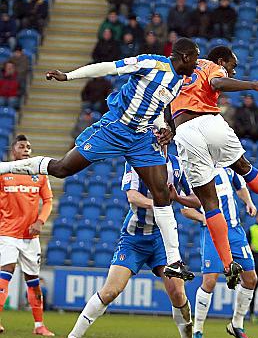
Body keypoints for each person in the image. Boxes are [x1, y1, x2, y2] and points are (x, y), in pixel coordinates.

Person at [0, 38, 200, 284]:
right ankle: (6, 167)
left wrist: (163, 127)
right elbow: (107, 67)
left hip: (142, 138)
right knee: (62, 169)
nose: (197, 64)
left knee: (161, 192)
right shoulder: (152, 63)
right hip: (115, 129)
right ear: (186, 57)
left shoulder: (179, 81)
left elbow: (155, 107)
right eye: (196, 58)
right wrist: (68, 76)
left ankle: (173, 262)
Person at [169, 46, 258, 289]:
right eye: (232, 66)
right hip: (209, 122)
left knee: (209, 202)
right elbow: (218, 83)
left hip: (183, 131)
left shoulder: (178, 71)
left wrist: (167, 129)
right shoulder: (210, 65)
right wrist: (254, 85)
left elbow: (165, 103)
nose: (232, 70)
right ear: (222, 61)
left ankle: (226, 263)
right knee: (243, 166)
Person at [67, 154, 201, 338]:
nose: (159, 134)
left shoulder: (178, 164)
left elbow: (196, 200)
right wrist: (159, 205)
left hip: (162, 239)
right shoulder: (137, 160)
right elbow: (132, 196)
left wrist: (177, 197)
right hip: (134, 239)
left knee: (178, 293)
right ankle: (74, 336)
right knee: (111, 291)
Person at [184, 167, 258, 338]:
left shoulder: (228, 168)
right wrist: (204, 218)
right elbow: (185, 209)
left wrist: (249, 202)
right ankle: (198, 330)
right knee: (209, 281)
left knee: (251, 278)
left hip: (234, 230)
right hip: (212, 232)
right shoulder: (194, 172)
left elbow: (240, 187)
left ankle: (236, 324)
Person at [0, 135, 54, 336]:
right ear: (13, 150)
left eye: (29, 147)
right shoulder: (3, 172)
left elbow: (48, 201)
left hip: (30, 238)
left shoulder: (39, 174)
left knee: (33, 280)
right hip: (8, 234)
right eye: (21, 146)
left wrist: (40, 221)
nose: (26, 150)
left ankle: (39, 325)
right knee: (7, 270)